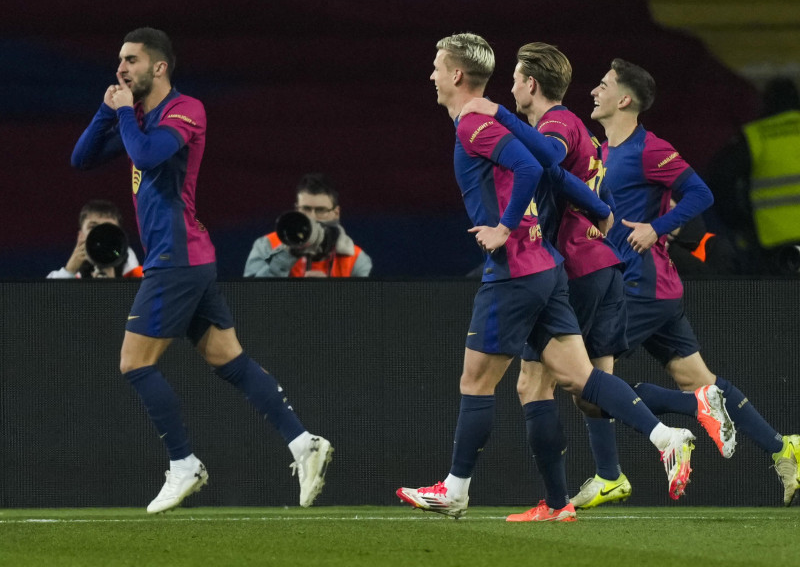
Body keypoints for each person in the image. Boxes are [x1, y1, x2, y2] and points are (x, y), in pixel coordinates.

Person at [396, 33, 696, 520]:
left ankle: (455, 489)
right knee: (579, 379)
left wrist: (504, 228)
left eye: (436, 66)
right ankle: (665, 436)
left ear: (455, 75)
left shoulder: (472, 124)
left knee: (476, 381)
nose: (430, 74)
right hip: (548, 267)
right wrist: (600, 207)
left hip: (514, 269)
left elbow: (528, 166)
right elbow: (549, 166)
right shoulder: (497, 120)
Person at [458, 42, 732, 522]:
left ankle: (573, 492)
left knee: (540, 383)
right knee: (588, 392)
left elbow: (544, 160)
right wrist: (602, 208)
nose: (512, 87)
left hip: (578, 265)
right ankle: (676, 421)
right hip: (599, 265)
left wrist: (497, 116)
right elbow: (561, 179)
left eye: (518, 79)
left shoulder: (557, 124)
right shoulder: (574, 126)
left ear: (532, 84)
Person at [70, 27, 333, 513]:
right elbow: (81, 158)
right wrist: (109, 110)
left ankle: (183, 463)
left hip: (176, 258)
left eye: (130, 60)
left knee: (135, 362)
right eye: (119, 62)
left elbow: (148, 155)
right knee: (228, 360)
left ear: (159, 67)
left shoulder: (186, 111)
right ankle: (304, 444)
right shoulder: (140, 118)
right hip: (186, 257)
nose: (121, 69)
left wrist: (125, 113)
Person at [581, 58, 800, 508]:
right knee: (697, 379)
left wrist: (655, 228)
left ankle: (610, 474)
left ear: (624, 99)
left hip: (641, 285)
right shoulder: (602, 153)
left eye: (602, 85)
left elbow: (701, 193)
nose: (593, 92)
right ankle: (783, 448)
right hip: (650, 287)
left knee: (587, 378)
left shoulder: (649, 148)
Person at [707, 77, 800, 275]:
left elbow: (721, 179)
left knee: (776, 302)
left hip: (773, 241)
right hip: (774, 241)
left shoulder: (756, 136)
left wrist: (739, 222)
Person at [243, 173, 372, 278]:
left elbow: (364, 308)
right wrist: (286, 255)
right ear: (297, 210)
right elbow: (249, 299)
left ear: (336, 213)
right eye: (306, 209)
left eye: (320, 210)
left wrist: (329, 293)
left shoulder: (355, 258)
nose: (312, 217)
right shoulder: (267, 245)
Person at [47, 199, 143, 279]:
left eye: (107, 227)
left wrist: (115, 285)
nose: (101, 234)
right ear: (80, 236)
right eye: (93, 227)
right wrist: (69, 271)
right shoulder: (69, 276)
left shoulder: (139, 276)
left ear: (119, 236)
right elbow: (44, 298)